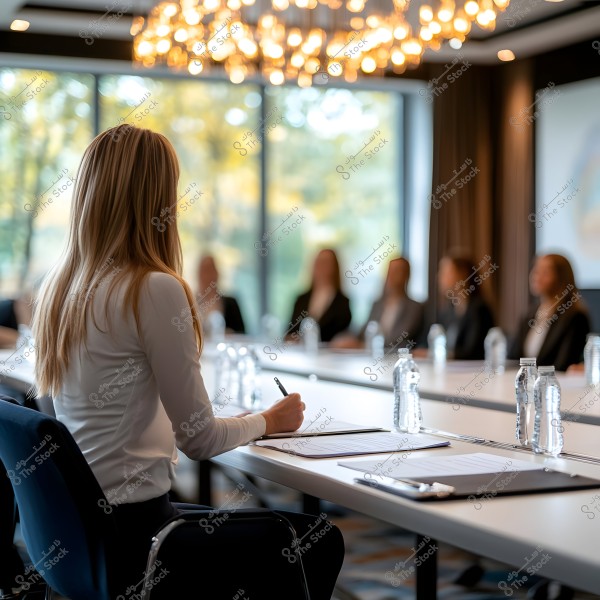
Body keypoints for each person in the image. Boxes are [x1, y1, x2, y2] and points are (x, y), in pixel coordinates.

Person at [30, 125, 344, 599]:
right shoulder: (152, 288)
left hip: (81, 529)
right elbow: (199, 440)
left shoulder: (62, 289)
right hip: (141, 539)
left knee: (299, 531)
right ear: (156, 199)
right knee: (312, 540)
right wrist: (267, 421)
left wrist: (238, 421)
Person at [508, 253, 590, 371]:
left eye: (545, 272)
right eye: (536, 270)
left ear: (561, 278)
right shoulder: (529, 314)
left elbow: (564, 365)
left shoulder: (575, 317)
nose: (536, 276)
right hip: (527, 384)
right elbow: (514, 357)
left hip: (556, 386)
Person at [331, 257, 424, 349]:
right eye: (390, 271)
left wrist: (365, 345)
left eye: (397, 271)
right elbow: (363, 331)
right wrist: (345, 340)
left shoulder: (414, 307)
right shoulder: (377, 304)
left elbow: (398, 340)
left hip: (395, 358)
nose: (392, 275)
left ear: (406, 275)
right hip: (371, 355)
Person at [418, 253, 495, 360]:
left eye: (445, 272)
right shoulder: (448, 310)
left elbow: (473, 352)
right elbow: (428, 340)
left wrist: (434, 354)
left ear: (462, 274)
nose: (439, 277)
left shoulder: (479, 310)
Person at [287, 248, 352, 343]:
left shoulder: (342, 302)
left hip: (330, 356)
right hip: (300, 355)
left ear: (334, 267)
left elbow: (342, 336)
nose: (321, 266)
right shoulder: (301, 299)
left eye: (326, 262)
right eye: (319, 261)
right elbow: (290, 331)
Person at [196, 254, 246, 334]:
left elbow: (242, 333)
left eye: (210, 270)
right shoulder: (191, 303)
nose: (207, 276)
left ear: (217, 273)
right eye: (204, 271)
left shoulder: (231, 303)